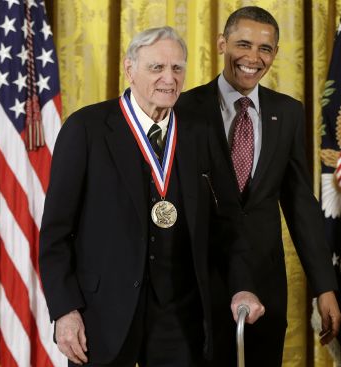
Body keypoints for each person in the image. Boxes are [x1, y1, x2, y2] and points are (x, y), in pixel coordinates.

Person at [39, 26, 264, 367]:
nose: (169, 79)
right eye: (156, 68)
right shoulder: (86, 128)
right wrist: (64, 310)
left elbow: (229, 223)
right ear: (130, 70)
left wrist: (243, 286)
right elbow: (56, 234)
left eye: (177, 68)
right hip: (101, 318)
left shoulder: (200, 133)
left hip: (180, 321)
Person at [178, 6, 341, 366]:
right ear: (222, 43)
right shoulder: (184, 108)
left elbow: (300, 203)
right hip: (199, 280)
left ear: (275, 54)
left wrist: (324, 287)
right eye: (243, 44)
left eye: (264, 49)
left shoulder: (288, 113)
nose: (253, 58)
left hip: (266, 283)